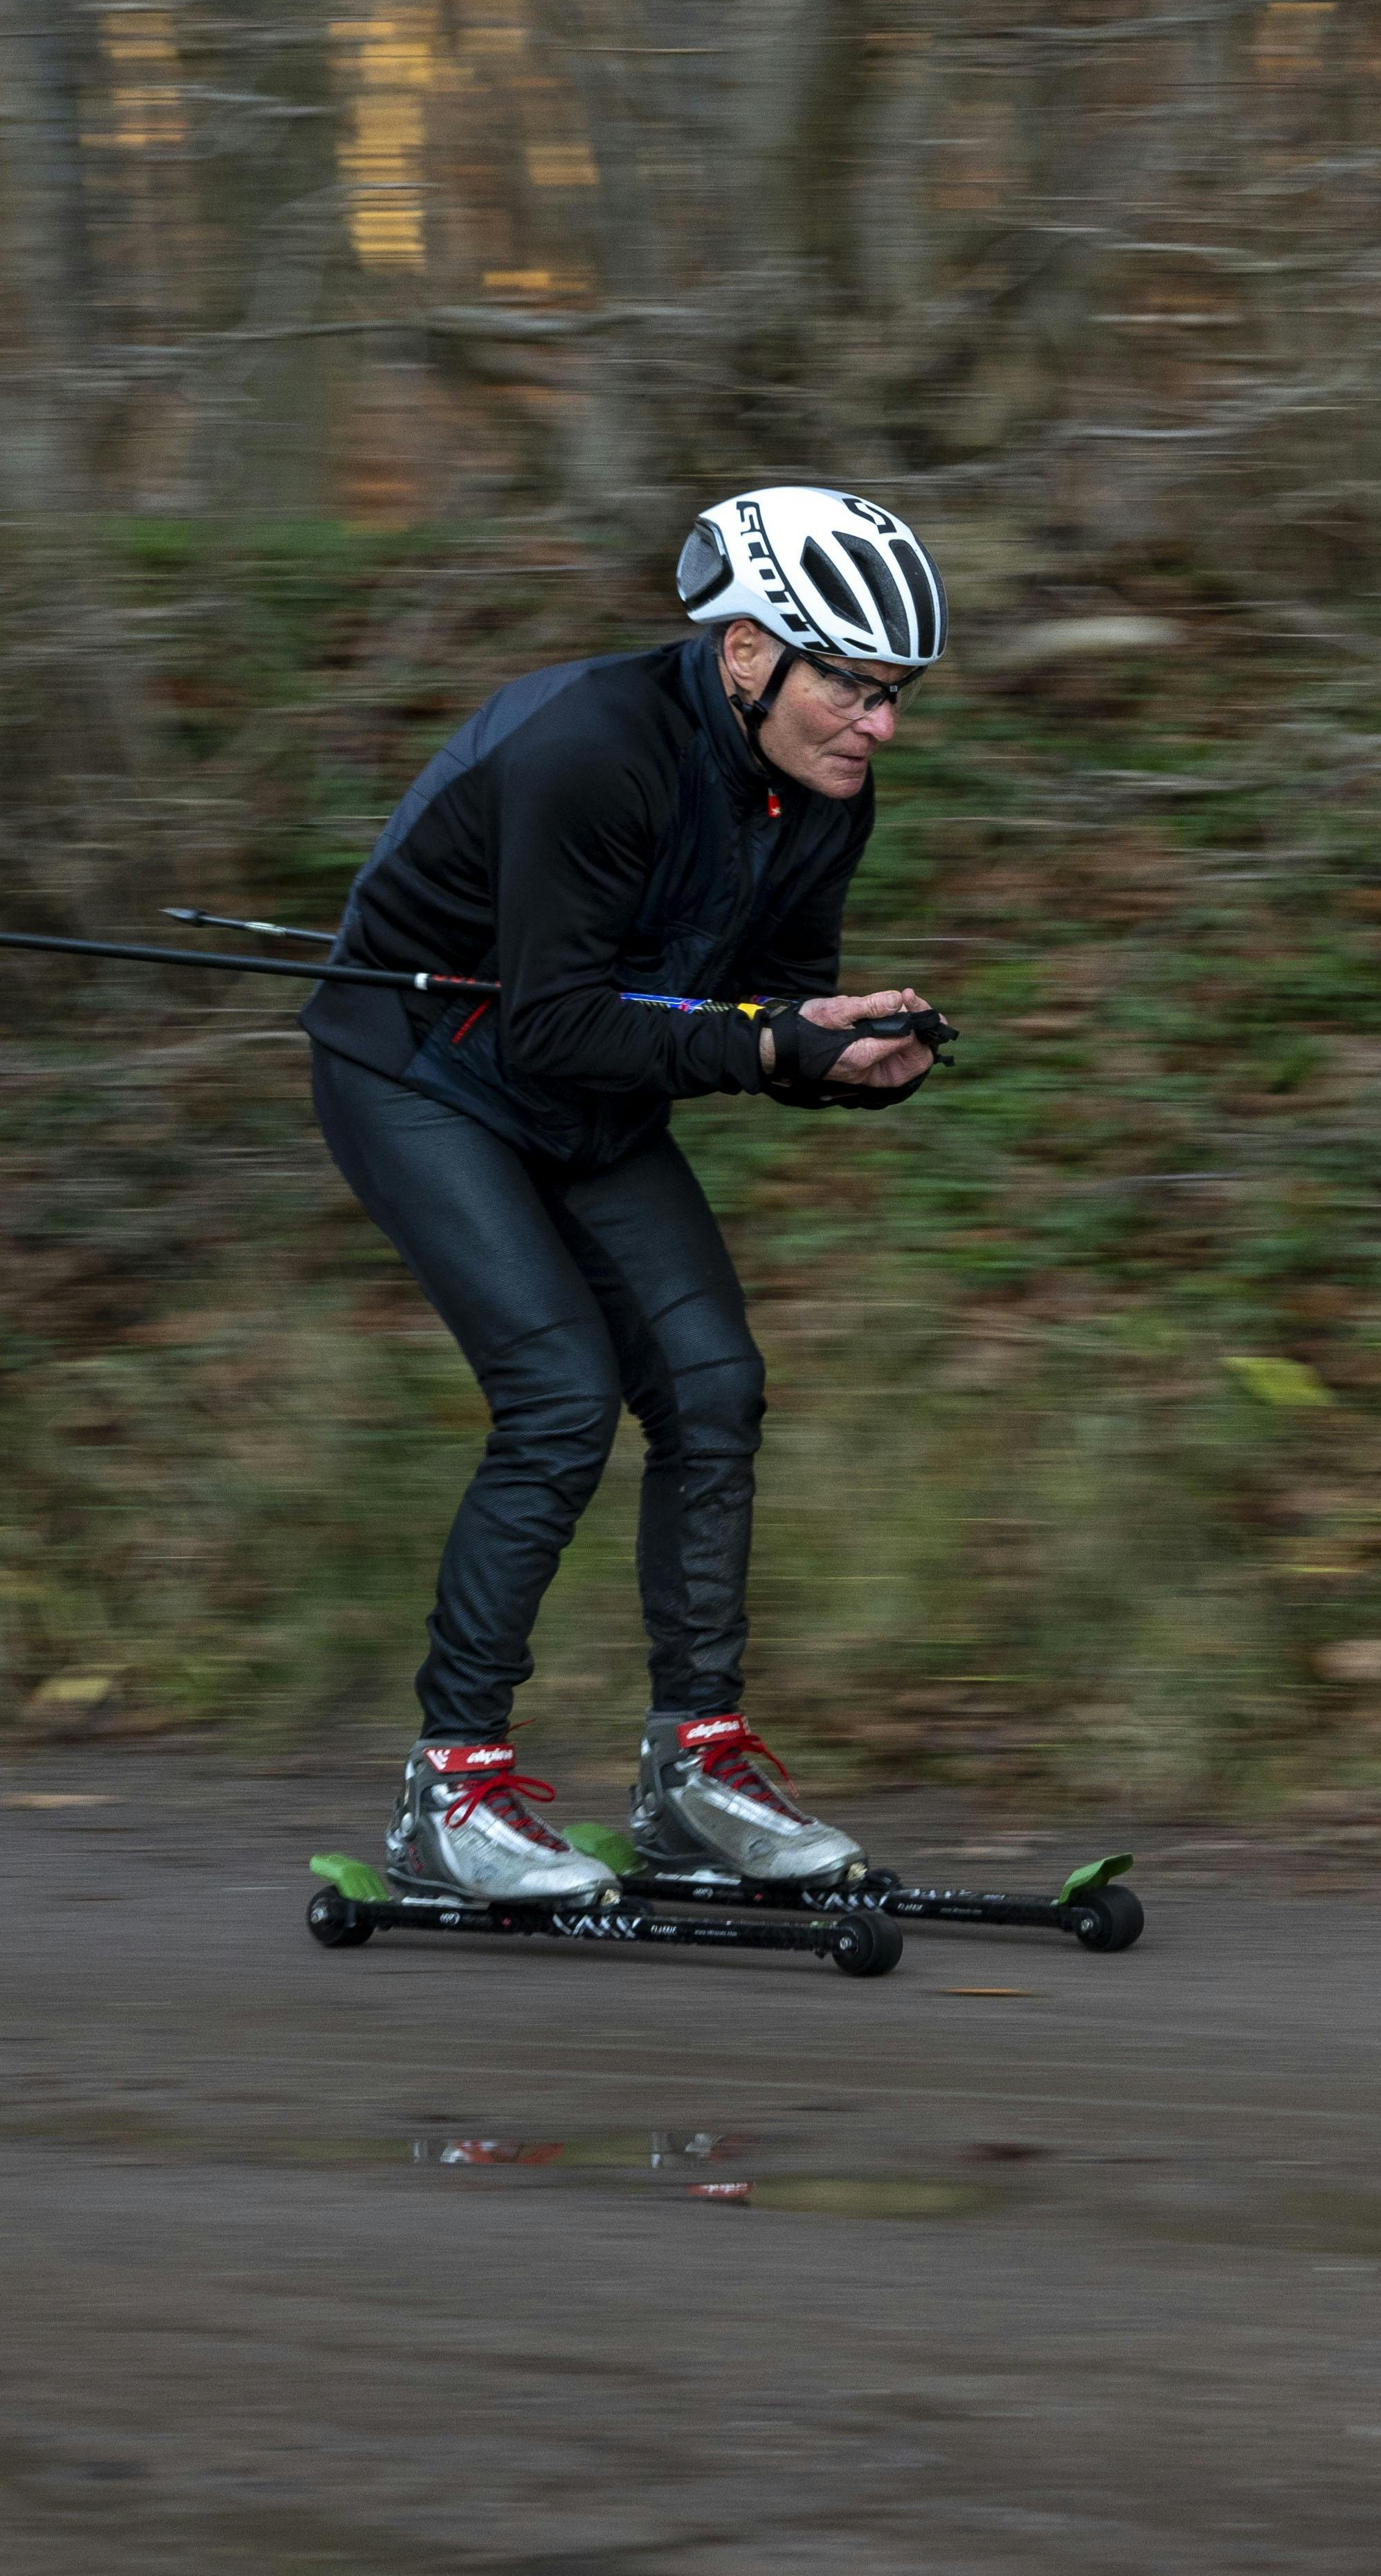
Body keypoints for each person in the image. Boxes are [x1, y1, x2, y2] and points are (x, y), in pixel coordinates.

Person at [302, 485, 950, 1904]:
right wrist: (776, 1039)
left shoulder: (823, 789)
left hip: (582, 1087)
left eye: (894, 695)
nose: (878, 723)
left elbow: (747, 1006)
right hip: (424, 1071)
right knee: (556, 1396)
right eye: (851, 684)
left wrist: (835, 1049)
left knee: (714, 1382)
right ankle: (450, 1789)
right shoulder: (589, 752)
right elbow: (554, 1025)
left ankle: (694, 1774)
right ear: (742, 653)